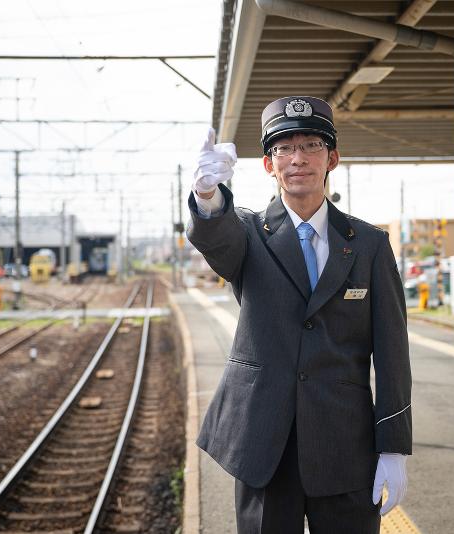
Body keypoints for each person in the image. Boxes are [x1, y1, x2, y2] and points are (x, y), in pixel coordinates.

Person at [187, 96, 412, 534]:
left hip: (345, 443)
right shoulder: (248, 233)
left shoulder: (369, 245)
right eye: (284, 148)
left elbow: (392, 353)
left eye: (311, 145)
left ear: (332, 158)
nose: (298, 159)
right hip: (263, 445)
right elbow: (216, 238)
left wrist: (393, 444)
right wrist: (207, 196)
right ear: (268, 165)